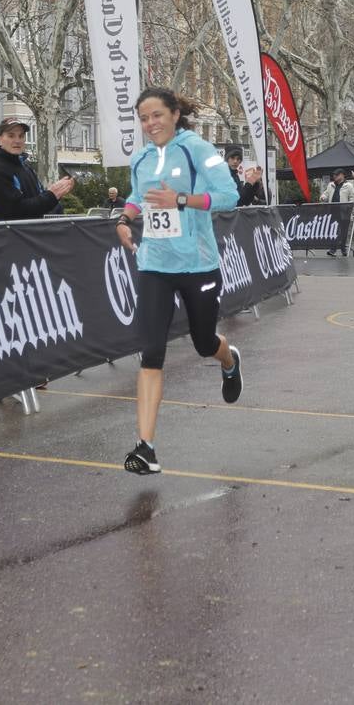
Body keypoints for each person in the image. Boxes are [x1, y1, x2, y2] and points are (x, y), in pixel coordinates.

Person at [114, 87, 242, 476]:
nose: (150, 124)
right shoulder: (141, 157)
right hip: (154, 263)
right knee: (151, 351)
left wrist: (182, 200)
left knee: (204, 343)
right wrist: (124, 218)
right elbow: (139, 196)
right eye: (144, 118)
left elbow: (229, 196)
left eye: (157, 115)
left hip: (197, 264)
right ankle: (146, 447)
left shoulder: (196, 149)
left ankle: (229, 359)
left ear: (174, 114)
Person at [0, 117, 74, 221]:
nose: (17, 141)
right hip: (13, 235)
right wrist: (52, 195)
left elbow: (39, 200)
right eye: (11, 136)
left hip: (32, 234)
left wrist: (56, 194)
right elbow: (16, 210)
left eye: (21, 136)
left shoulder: (24, 166)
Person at [320, 168, 354, 255]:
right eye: (334, 175)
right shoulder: (331, 185)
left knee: (343, 231)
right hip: (332, 212)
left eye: (337, 174)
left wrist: (350, 207)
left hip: (344, 212)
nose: (335, 176)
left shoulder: (348, 186)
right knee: (333, 230)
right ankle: (333, 249)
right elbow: (326, 194)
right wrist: (323, 197)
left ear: (343, 175)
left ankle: (343, 249)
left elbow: (353, 198)